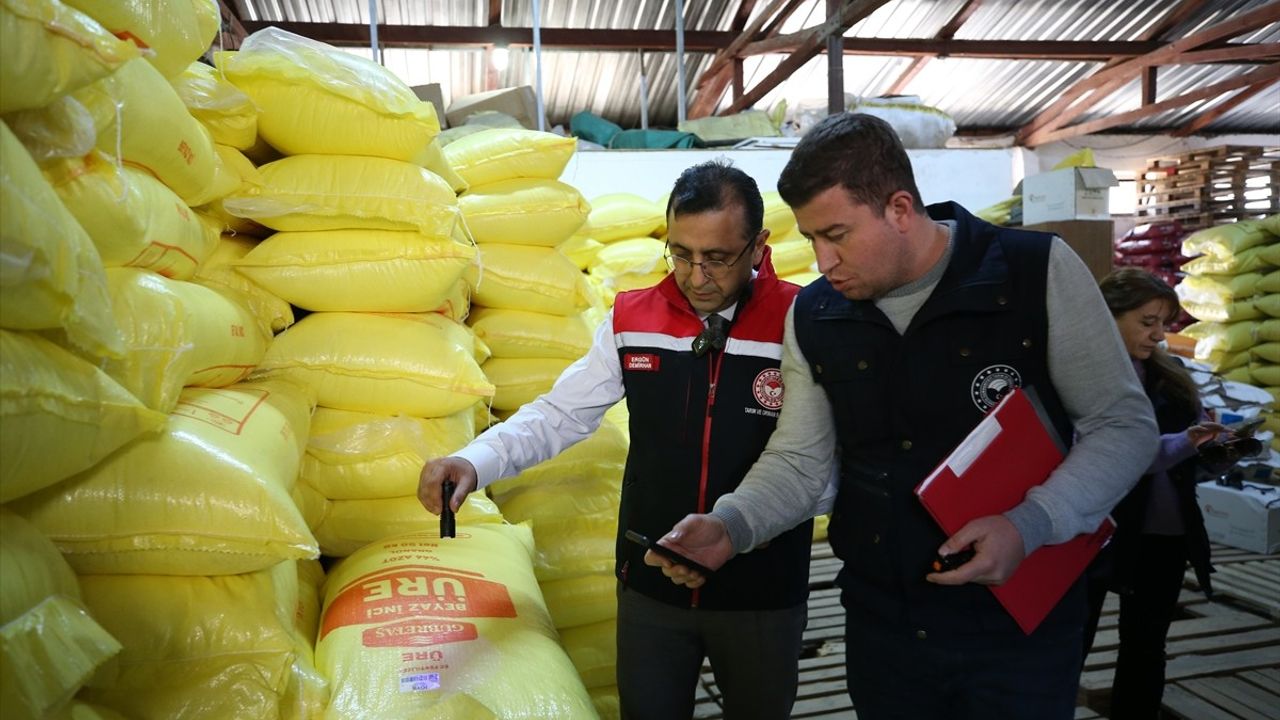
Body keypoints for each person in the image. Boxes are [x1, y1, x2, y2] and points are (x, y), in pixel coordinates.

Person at [650, 113, 1161, 720]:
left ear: (898, 209)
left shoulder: (1033, 273)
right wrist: (731, 524)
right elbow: (799, 461)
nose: (821, 261)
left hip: (1017, 626)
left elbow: (1123, 426)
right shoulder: (814, 315)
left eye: (836, 234)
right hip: (883, 625)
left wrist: (1030, 523)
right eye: (811, 237)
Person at [418, 160, 824, 720]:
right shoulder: (635, 319)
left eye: (718, 258)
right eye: (680, 253)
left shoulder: (800, 321)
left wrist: (740, 529)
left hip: (761, 589)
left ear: (758, 247)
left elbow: (816, 461)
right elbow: (562, 412)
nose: (696, 275)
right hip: (652, 582)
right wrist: (476, 460)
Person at [1083, 268, 1221, 719]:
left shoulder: (1170, 373)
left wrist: (1216, 443)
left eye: (1164, 322)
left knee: (1145, 645)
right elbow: (1121, 454)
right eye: (1147, 322)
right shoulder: (1081, 377)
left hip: (1165, 530)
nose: (1159, 335)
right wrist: (1186, 441)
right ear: (1108, 315)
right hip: (1098, 533)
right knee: (1072, 639)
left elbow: (1189, 451)